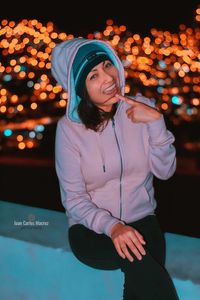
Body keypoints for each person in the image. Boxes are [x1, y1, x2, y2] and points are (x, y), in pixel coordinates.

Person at [51, 37, 179, 300]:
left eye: (108, 65)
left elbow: (165, 172)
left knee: (140, 284)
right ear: (79, 88)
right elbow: (73, 198)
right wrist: (113, 227)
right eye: (93, 76)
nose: (108, 78)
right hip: (92, 230)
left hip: (143, 222)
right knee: (145, 270)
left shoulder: (141, 107)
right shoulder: (69, 130)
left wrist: (156, 122)